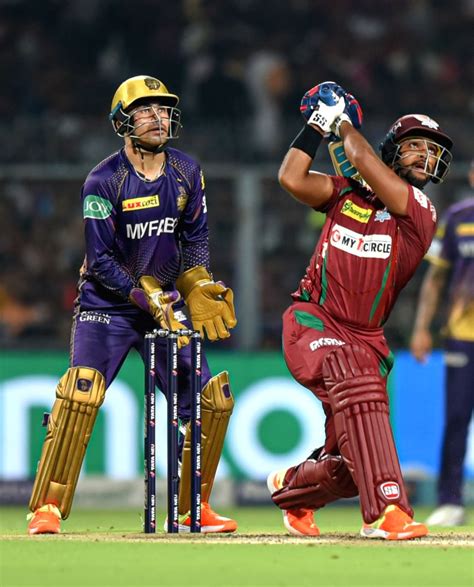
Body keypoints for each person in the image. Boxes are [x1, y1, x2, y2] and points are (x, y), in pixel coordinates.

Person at [27, 75, 237, 535]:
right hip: (109, 305)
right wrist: (145, 298)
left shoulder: (187, 171)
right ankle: (47, 506)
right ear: (124, 122)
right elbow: (100, 261)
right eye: (146, 110)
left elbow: (195, 239)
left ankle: (191, 506)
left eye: (164, 110)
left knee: (209, 401)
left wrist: (198, 282)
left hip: (164, 300)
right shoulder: (103, 181)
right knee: (80, 393)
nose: (159, 118)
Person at [266, 81, 453, 540]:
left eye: (432, 152)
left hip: (366, 337)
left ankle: (292, 489)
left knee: (352, 465)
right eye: (414, 149)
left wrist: (342, 123)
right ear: (392, 152)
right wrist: (315, 127)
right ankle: (387, 512)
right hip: (313, 319)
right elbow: (291, 178)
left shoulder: (421, 212)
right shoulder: (345, 194)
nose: (426, 159)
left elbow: (365, 159)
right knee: (356, 378)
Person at [410, 163, 474, 526]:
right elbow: (435, 278)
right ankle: (450, 501)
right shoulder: (456, 218)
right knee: (456, 419)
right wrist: (422, 328)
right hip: (462, 336)